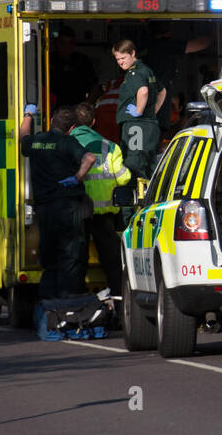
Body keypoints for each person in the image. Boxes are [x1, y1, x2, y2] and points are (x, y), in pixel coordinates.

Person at [19, 104, 97, 308]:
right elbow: (90, 158)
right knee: (70, 256)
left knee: (49, 256)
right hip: (68, 206)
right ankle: (67, 305)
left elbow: (23, 138)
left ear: (51, 122)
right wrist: (78, 177)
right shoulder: (68, 142)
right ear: (71, 129)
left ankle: (47, 307)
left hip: (45, 208)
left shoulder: (37, 142)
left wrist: (28, 115)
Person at [70, 102, 131, 299]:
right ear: (94, 122)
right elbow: (123, 177)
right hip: (104, 215)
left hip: (77, 210)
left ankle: (76, 298)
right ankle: (119, 300)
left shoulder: (66, 143)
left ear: (73, 124)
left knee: (77, 257)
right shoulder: (110, 147)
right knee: (112, 260)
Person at [146, 26, 212, 134]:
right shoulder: (164, 45)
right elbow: (201, 44)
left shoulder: (147, 48)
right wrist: (216, 32)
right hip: (158, 116)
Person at [113, 39, 160, 180]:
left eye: (123, 58)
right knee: (149, 164)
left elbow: (143, 91)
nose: (121, 62)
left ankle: (135, 199)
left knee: (134, 164)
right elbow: (162, 92)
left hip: (136, 126)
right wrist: (153, 110)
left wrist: (139, 111)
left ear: (132, 53)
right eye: (118, 59)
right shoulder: (147, 71)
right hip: (150, 125)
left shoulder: (134, 73)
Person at [49, 29, 98, 110]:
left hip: (77, 110)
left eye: (70, 43)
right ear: (56, 44)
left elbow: (95, 86)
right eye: (63, 43)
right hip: (52, 110)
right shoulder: (48, 60)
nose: (67, 47)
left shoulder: (82, 61)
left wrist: (86, 105)